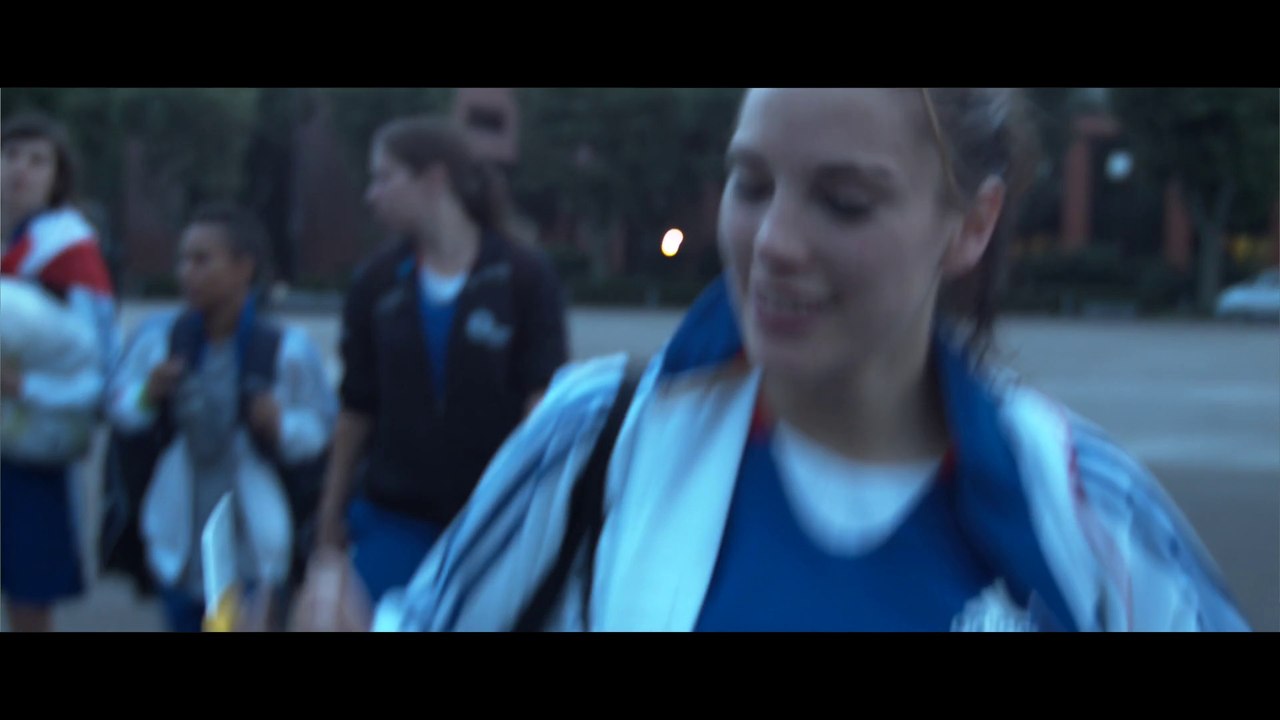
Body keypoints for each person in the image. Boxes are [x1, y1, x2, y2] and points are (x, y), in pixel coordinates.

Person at [369, 88, 1249, 632]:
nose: (774, 244)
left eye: (844, 201)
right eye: (751, 184)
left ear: (972, 224)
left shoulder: (1092, 513)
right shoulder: (593, 441)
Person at [309, 115, 568, 606]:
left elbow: (544, 401)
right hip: (395, 518)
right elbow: (356, 406)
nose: (371, 194)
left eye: (384, 177)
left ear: (434, 179)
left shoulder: (523, 276)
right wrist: (329, 512)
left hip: (492, 521)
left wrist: (535, 509)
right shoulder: (376, 283)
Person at [106, 203, 335, 632]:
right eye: (182, 260)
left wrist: (280, 424)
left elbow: (320, 430)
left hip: (253, 548)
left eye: (202, 260)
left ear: (243, 268)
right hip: (178, 543)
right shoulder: (159, 340)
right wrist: (146, 396)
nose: (186, 273)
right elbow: (118, 409)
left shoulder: (285, 349)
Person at [1, 113, 119, 632]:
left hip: (29, 453)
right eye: (10, 156)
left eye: (37, 160)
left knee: (28, 598)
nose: (20, 171)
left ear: (58, 176)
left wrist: (24, 386)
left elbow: (100, 374)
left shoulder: (70, 251)